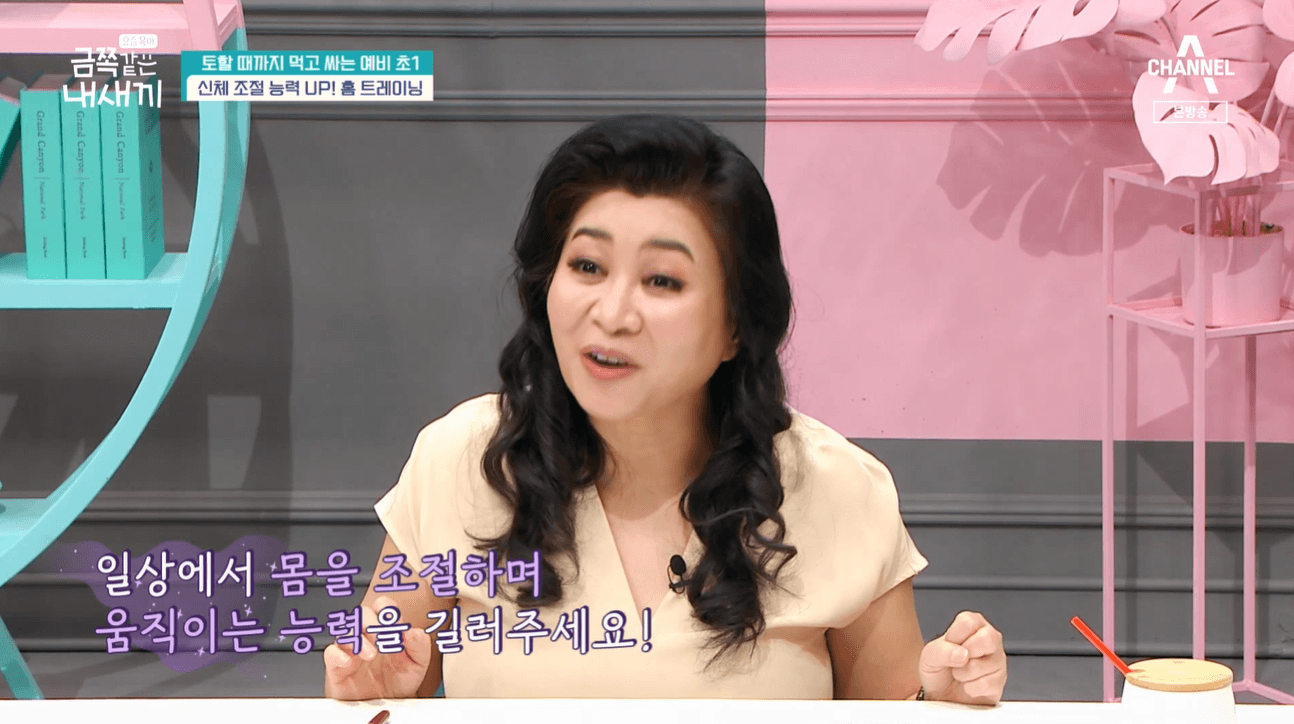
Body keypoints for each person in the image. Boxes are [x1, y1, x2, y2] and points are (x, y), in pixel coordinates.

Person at [324, 114, 1008, 701]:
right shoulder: (463, 458)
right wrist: (374, 685)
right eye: (587, 267)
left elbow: (897, 710)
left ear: (736, 325)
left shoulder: (835, 485)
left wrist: (943, 699)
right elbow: (390, 671)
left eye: (662, 280)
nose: (612, 314)